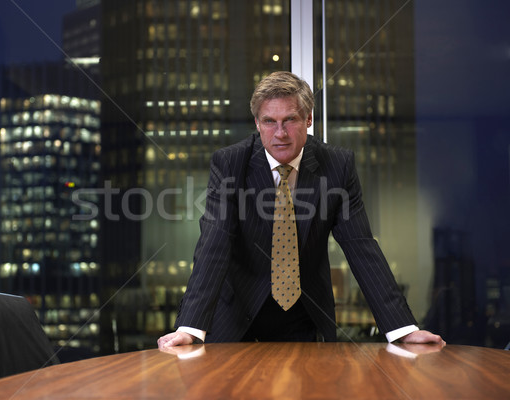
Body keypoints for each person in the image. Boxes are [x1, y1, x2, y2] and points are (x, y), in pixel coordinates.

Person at [158, 71, 444, 348]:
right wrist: (190, 328)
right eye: (269, 121)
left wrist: (402, 330)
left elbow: (361, 247)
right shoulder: (230, 164)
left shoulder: (337, 166)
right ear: (257, 123)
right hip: (236, 315)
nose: (279, 133)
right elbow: (214, 244)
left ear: (308, 119)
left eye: (290, 119)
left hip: (302, 314)